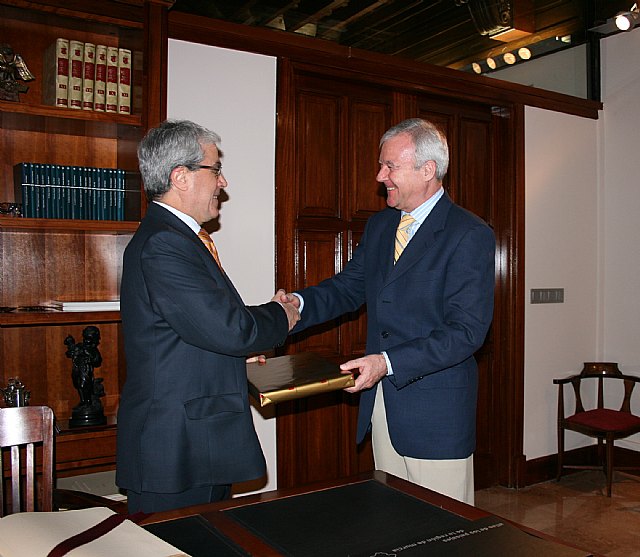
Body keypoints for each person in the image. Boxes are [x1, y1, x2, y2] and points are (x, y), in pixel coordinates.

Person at [282, 118, 495, 504]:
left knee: (443, 529)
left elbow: (466, 332)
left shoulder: (469, 233)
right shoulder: (380, 226)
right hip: (381, 406)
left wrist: (387, 362)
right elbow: (348, 288)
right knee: (394, 519)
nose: (380, 176)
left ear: (427, 169)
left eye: (390, 166)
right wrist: (299, 304)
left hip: (436, 414)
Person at [116, 119, 300, 513]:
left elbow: (196, 328)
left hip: (198, 443)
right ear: (180, 176)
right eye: (215, 169)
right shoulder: (165, 243)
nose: (223, 182)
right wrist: (282, 315)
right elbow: (230, 328)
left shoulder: (179, 238)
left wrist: (234, 351)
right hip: (174, 448)